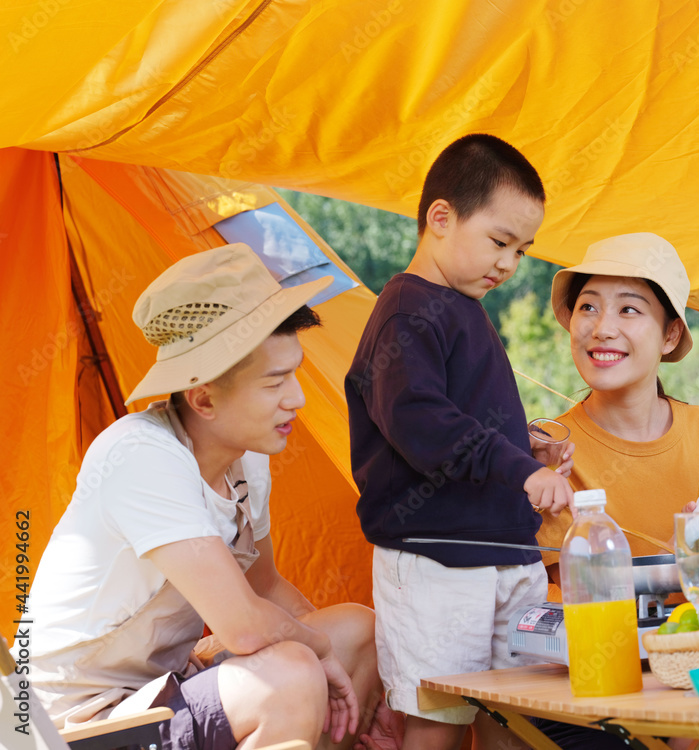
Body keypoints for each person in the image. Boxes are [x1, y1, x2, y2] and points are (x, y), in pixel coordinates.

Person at [25, 244, 399, 750]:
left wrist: (347, 676)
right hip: (76, 723)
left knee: (355, 630)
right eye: (274, 382)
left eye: (295, 373)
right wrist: (317, 657)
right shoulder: (140, 455)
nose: (298, 398)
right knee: (289, 675)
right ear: (203, 398)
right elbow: (244, 628)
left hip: (167, 690)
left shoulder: (248, 459)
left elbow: (264, 589)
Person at [345, 133, 575, 750]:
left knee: (519, 719)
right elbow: (420, 423)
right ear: (440, 218)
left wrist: (526, 449)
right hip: (437, 562)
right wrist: (521, 473)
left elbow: (466, 420)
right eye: (500, 241)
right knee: (440, 727)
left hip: (508, 556)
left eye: (522, 251)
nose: (509, 264)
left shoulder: (464, 307)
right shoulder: (405, 312)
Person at [536, 232, 699, 572]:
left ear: (671, 335)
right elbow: (573, 598)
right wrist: (689, 554)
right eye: (588, 306)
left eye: (628, 309)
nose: (602, 328)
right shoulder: (551, 455)